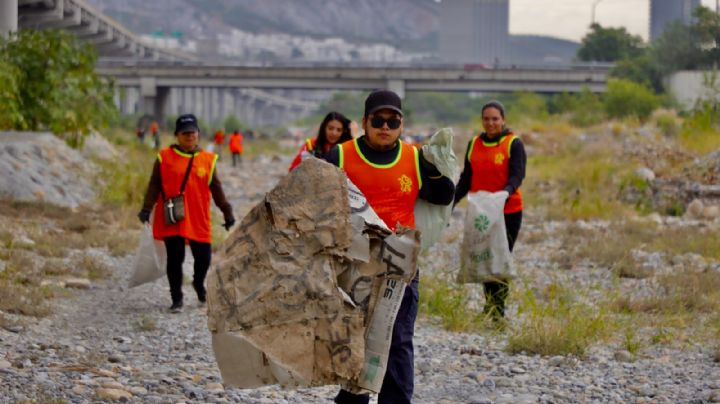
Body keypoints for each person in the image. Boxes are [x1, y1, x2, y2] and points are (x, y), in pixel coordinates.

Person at [325, 90, 455, 404]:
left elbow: (443, 195)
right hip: (354, 263)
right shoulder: (340, 156)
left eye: (393, 120)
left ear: (401, 123)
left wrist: (434, 165)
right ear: (364, 122)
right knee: (356, 336)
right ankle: (353, 399)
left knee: (397, 339)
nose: (386, 127)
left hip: (400, 263)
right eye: (378, 120)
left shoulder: (413, 157)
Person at [137, 114, 236, 313]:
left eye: (193, 132)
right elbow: (154, 185)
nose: (189, 136)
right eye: (185, 133)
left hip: (198, 217)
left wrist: (227, 212)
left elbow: (216, 189)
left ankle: (198, 284)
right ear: (177, 135)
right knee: (175, 258)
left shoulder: (208, 160)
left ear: (198, 134)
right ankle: (176, 298)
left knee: (204, 258)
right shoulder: (164, 157)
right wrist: (146, 208)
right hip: (173, 216)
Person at [453, 100, 526, 322]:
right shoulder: (474, 144)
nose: (491, 123)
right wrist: (451, 202)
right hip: (482, 212)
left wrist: (505, 192)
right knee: (484, 256)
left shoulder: (513, 143)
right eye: (487, 119)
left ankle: (498, 310)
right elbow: (467, 178)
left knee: (500, 258)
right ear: (482, 120)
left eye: (495, 119)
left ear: (503, 120)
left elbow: (517, 174)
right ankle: (489, 306)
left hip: (507, 210)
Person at [288, 111, 352, 171]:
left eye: (339, 130)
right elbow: (293, 169)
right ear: (324, 128)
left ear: (343, 132)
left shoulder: (344, 150)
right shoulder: (311, 145)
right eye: (330, 128)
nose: (334, 133)